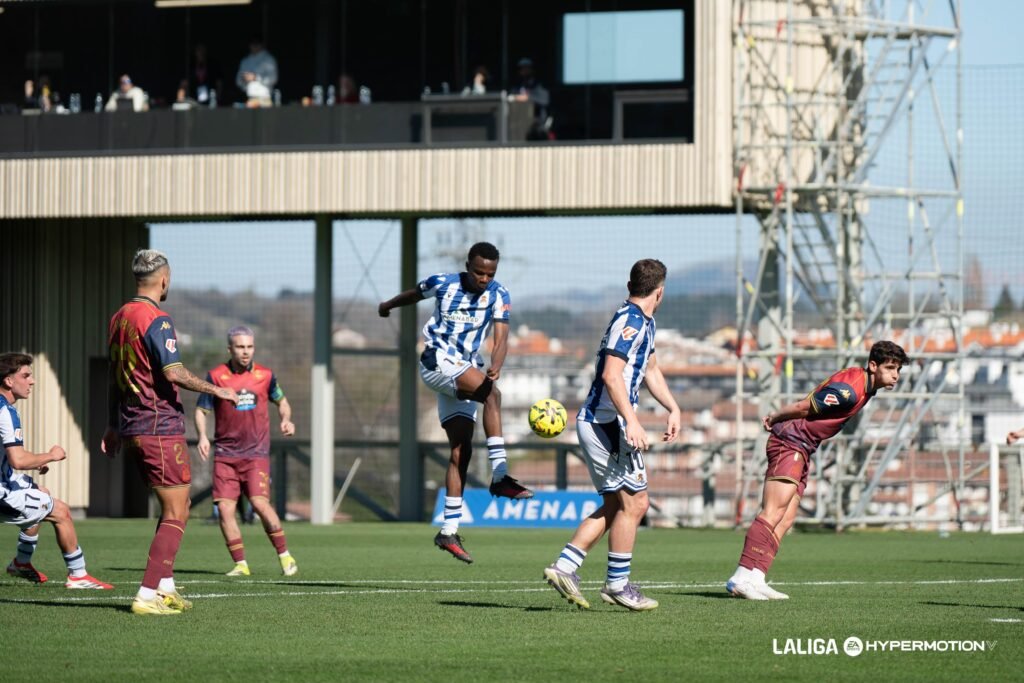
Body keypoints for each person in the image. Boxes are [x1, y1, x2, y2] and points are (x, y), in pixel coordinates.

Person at [102, 249, 239, 615]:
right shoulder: (157, 319)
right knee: (177, 511)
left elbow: (115, 375)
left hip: (134, 424)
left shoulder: (119, 318)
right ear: (164, 279)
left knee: (176, 507)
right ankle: (146, 595)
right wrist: (218, 390)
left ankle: (165, 586)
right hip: (158, 425)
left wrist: (112, 423)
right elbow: (173, 372)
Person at [378, 242, 532, 563]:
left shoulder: (499, 295)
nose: (484, 279)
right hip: (436, 362)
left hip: (464, 369)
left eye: (490, 274)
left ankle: (448, 530)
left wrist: (497, 363)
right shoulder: (444, 283)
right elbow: (413, 294)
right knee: (492, 395)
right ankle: (500, 476)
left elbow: (501, 339)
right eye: (478, 272)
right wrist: (388, 304)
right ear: (467, 266)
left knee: (461, 451)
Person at [543, 259, 679, 611]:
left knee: (618, 504)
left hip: (604, 422)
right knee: (636, 503)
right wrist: (632, 420)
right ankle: (617, 584)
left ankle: (566, 567)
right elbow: (611, 375)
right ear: (660, 291)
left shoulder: (643, 322)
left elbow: (650, 369)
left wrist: (673, 407)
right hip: (606, 424)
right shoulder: (630, 322)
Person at [725, 340, 910, 600]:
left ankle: (756, 577)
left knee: (786, 518)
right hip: (789, 441)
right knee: (773, 510)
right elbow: (804, 406)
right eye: (891, 368)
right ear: (872, 365)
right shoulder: (850, 391)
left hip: (804, 446)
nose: (895, 375)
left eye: (898, 370)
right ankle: (741, 576)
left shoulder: (866, 387)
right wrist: (776, 416)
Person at [2, 353, 113, 590]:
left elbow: (13, 456)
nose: (31, 381)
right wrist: (51, 455)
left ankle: (21, 562)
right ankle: (78, 575)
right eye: (26, 375)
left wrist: (35, 461)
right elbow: (18, 460)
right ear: (8, 381)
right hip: (2, 491)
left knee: (41, 491)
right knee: (61, 511)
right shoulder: (6, 412)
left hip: (7, 480)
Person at [195, 325, 297, 577]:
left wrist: (286, 418)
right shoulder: (216, 376)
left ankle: (285, 557)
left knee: (260, 504)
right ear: (229, 348)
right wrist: (202, 437)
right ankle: (241, 564)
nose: (245, 352)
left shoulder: (266, 375)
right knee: (225, 510)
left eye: (249, 346)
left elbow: (282, 401)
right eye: (240, 347)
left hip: (256, 454)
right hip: (226, 456)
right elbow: (201, 409)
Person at [512, 57, 551, 139]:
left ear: (531, 69)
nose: (524, 71)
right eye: (522, 68)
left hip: (537, 126)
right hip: (518, 124)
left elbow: (545, 100)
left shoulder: (539, 85)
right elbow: (511, 97)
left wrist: (527, 98)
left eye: (526, 68)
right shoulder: (517, 86)